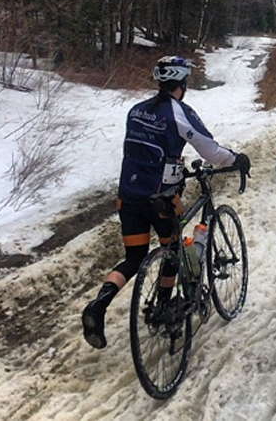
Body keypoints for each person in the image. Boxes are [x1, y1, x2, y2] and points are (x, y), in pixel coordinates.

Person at [81, 55, 251, 350]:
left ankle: (98, 305)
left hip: (128, 196)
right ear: (182, 84)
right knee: (172, 249)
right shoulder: (178, 112)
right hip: (160, 200)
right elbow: (210, 150)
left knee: (133, 258)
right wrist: (237, 159)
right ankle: (162, 306)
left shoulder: (135, 111)